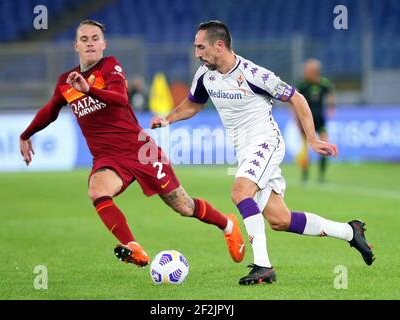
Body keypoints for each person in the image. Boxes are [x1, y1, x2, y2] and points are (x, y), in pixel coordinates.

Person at [151, 20, 374, 285]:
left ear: (219, 46)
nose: (197, 53)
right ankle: (350, 231)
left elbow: (296, 97)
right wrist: (168, 118)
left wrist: (312, 139)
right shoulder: (204, 75)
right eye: (196, 47)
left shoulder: (254, 74)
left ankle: (263, 267)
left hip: (266, 141)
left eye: (201, 47)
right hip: (245, 150)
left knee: (240, 192)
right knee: (280, 220)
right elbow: (193, 105)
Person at [19, 20, 245, 268]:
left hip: (140, 151)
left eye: (95, 38)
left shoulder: (109, 67)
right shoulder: (66, 81)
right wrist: (26, 134)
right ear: (76, 46)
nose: (91, 43)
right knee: (97, 190)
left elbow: (119, 98)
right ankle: (134, 247)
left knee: (183, 206)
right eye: (84, 39)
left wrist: (89, 90)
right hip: (107, 158)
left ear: (103, 44)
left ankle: (228, 224)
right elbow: (50, 110)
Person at [296, 59, 336, 182]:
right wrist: (296, 119)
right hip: (305, 120)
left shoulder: (324, 84)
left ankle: (321, 175)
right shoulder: (302, 85)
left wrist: (331, 107)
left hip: (319, 119)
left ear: (315, 71)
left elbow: (331, 95)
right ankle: (305, 174)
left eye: (307, 70)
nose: (305, 72)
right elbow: (294, 103)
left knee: (325, 145)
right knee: (304, 149)